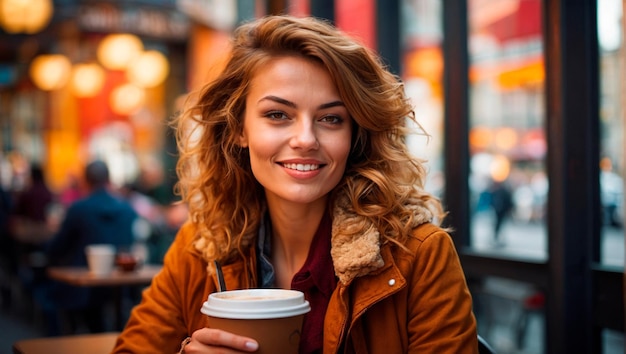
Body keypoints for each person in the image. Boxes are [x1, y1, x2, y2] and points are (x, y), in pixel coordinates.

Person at [113, 15, 478, 353]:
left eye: (331, 118)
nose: (305, 139)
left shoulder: (419, 254)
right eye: (277, 115)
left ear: (355, 136)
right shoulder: (200, 248)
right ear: (240, 129)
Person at [43, 160, 139, 334]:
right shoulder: (127, 209)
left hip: (80, 290)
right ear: (108, 180)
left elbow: (56, 248)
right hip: (119, 289)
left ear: (85, 181)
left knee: (46, 295)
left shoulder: (78, 209)